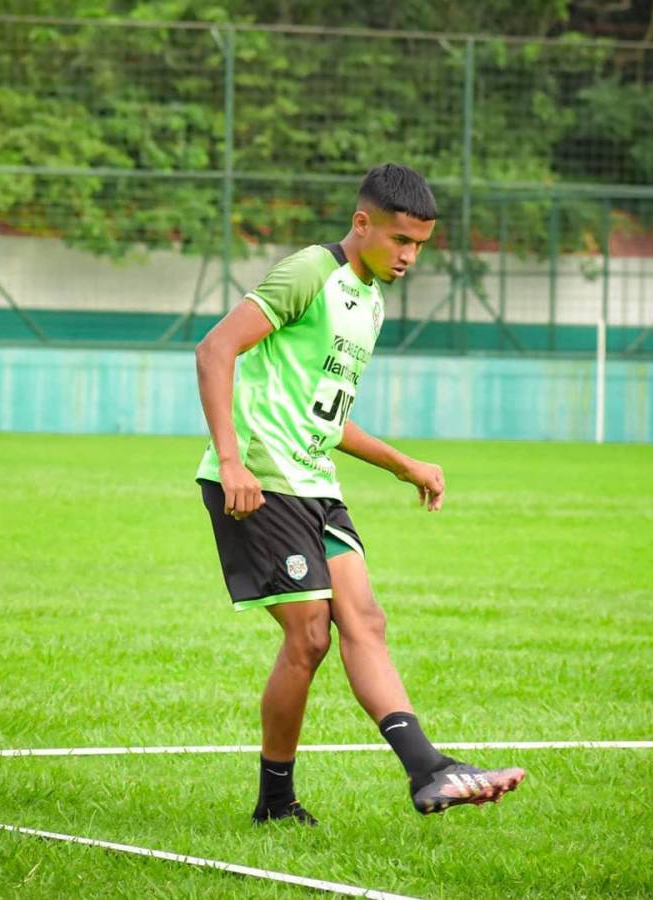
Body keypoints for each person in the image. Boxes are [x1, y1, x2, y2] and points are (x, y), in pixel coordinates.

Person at [195, 163, 524, 824]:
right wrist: (232, 462)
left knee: (364, 619)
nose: (409, 256)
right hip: (264, 479)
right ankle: (277, 802)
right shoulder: (310, 273)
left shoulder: (368, 301)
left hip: (315, 482)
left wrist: (402, 463)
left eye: (420, 246)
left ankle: (427, 771)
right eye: (400, 240)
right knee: (311, 634)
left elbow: (326, 416)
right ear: (362, 222)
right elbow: (214, 350)